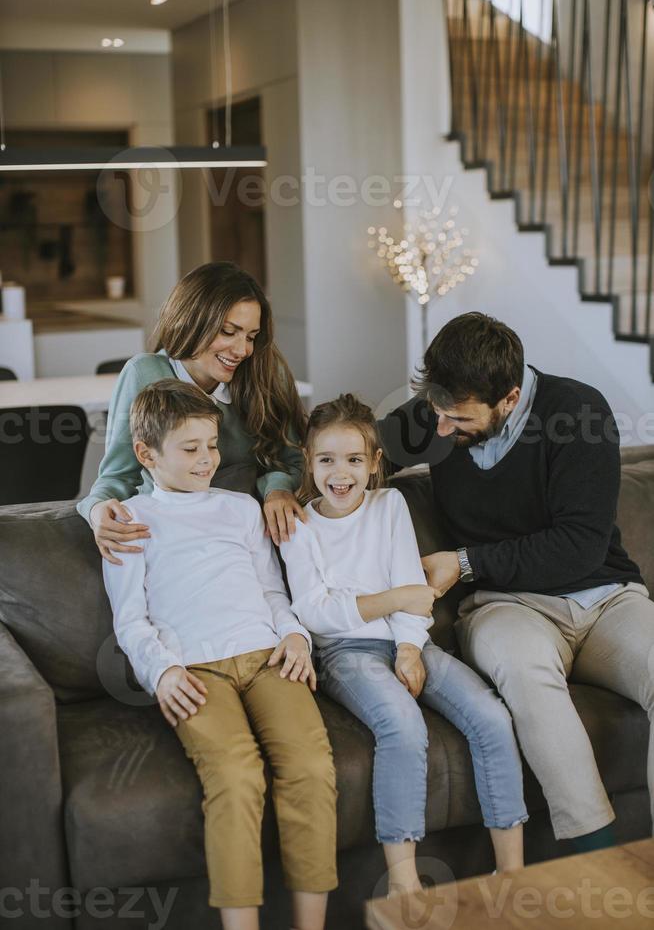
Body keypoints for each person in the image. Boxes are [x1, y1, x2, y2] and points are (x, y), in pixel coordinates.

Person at [397, 311, 652, 854]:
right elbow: (343, 447)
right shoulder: (437, 413)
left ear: (509, 399)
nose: (440, 430)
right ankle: (596, 857)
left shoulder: (579, 411)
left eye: (458, 420)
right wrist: (280, 487)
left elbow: (578, 546)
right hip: (505, 607)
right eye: (437, 414)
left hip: (605, 599)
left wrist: (465, 562)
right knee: (525, 671)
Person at [102, 378, 338, 930]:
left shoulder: (240, 509)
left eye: (211, 445)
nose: (207, 459)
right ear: (146, 454)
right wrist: (160, 673)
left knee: (310, 765)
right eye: (190, 449)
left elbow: (273, 591)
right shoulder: (129, 522)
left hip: (268, 659)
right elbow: (130, 621)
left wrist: (295, 634)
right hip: (195, 671)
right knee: (235, 774)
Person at [280, 394, 527, 897]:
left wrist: (411, 648)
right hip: (344, 653)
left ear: (374, 463)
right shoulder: (300, 526)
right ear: (308, 461)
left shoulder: (389, 505)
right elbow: (316, 613)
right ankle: (405, 883)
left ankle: (514, 873)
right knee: (403, 725)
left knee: (492, 717)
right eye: (326, 459)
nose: (340, 473)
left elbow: (416, 598)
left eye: (353, 459)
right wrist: (394, 599)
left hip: (410, 640)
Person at [78, 261, 307, 562]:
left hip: (248, 537)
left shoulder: (267, 371)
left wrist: (279, 488)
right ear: (193, 321)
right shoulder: (144, 373)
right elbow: (118, 475)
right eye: (228, 331)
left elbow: (293, 457)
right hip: (171, 537)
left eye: (251, 336)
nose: (241, 350)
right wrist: (96, 509)